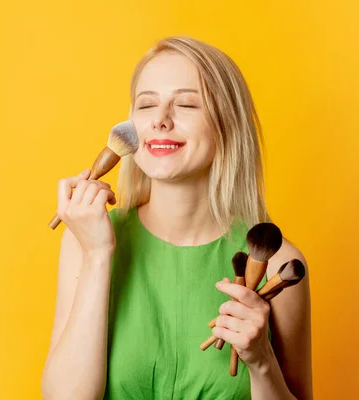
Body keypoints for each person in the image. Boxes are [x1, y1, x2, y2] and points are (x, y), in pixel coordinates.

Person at [41, 36, 312, 400]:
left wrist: (261, 361)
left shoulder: (276, 263)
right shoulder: (85, 240)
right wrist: (98, 255)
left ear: (226, 126)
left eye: (185, 104)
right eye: (147, 104)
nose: (160, 120)